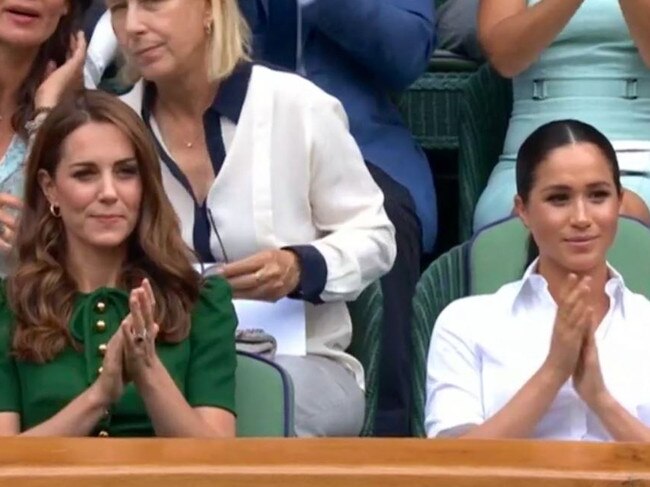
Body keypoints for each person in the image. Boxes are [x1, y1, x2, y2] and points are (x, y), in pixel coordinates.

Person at [108, 0, 396, 437]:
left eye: (151, 3)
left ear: (209, 9)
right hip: (167, 361)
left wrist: (301, 266)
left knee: (257, 398)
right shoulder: (116, 126)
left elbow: (376, 236)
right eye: (116, 8)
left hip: (299, 359)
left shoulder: (298, 106)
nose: (132, 26)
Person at [0, 90, 237, 437]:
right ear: (50, 189)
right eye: (85, 174)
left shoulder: (200, 300)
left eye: (126, 172)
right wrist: (99, 397)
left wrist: (148, 371)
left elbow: (218, 465)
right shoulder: (10, 305)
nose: (109, 192)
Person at [426, 120, 650, 441]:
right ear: (523, 210)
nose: (582, 218)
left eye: (598, 195)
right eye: (559, 199)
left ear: (619, 202)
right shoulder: (466, 323)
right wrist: (553, 372)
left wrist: (600, 400)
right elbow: (451, 466)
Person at [474, 0, 650, 233]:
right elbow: (504, 58)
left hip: (640, 156)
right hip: (532, 156)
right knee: (523, 220)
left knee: (620, 216)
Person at [0, 0, 90, 266]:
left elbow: (74, 243)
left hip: (32, 303)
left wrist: (46, 110)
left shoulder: (79, 116)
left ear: (67, 6)